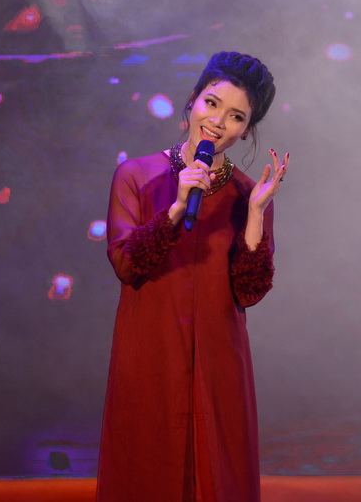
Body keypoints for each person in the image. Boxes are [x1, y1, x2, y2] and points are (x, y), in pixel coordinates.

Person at [96, 51, 288, 501]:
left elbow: (249, 291)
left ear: (247, 130)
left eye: (237, 116)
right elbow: (125, 263)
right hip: (151, 351)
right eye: (212, 103)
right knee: (147, 468)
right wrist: (177, 207)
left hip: (219, 360)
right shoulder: (136, 175)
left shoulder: (249, 194)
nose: (218, 122)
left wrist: (255, 214)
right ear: (193, 99)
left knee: (218, 476)